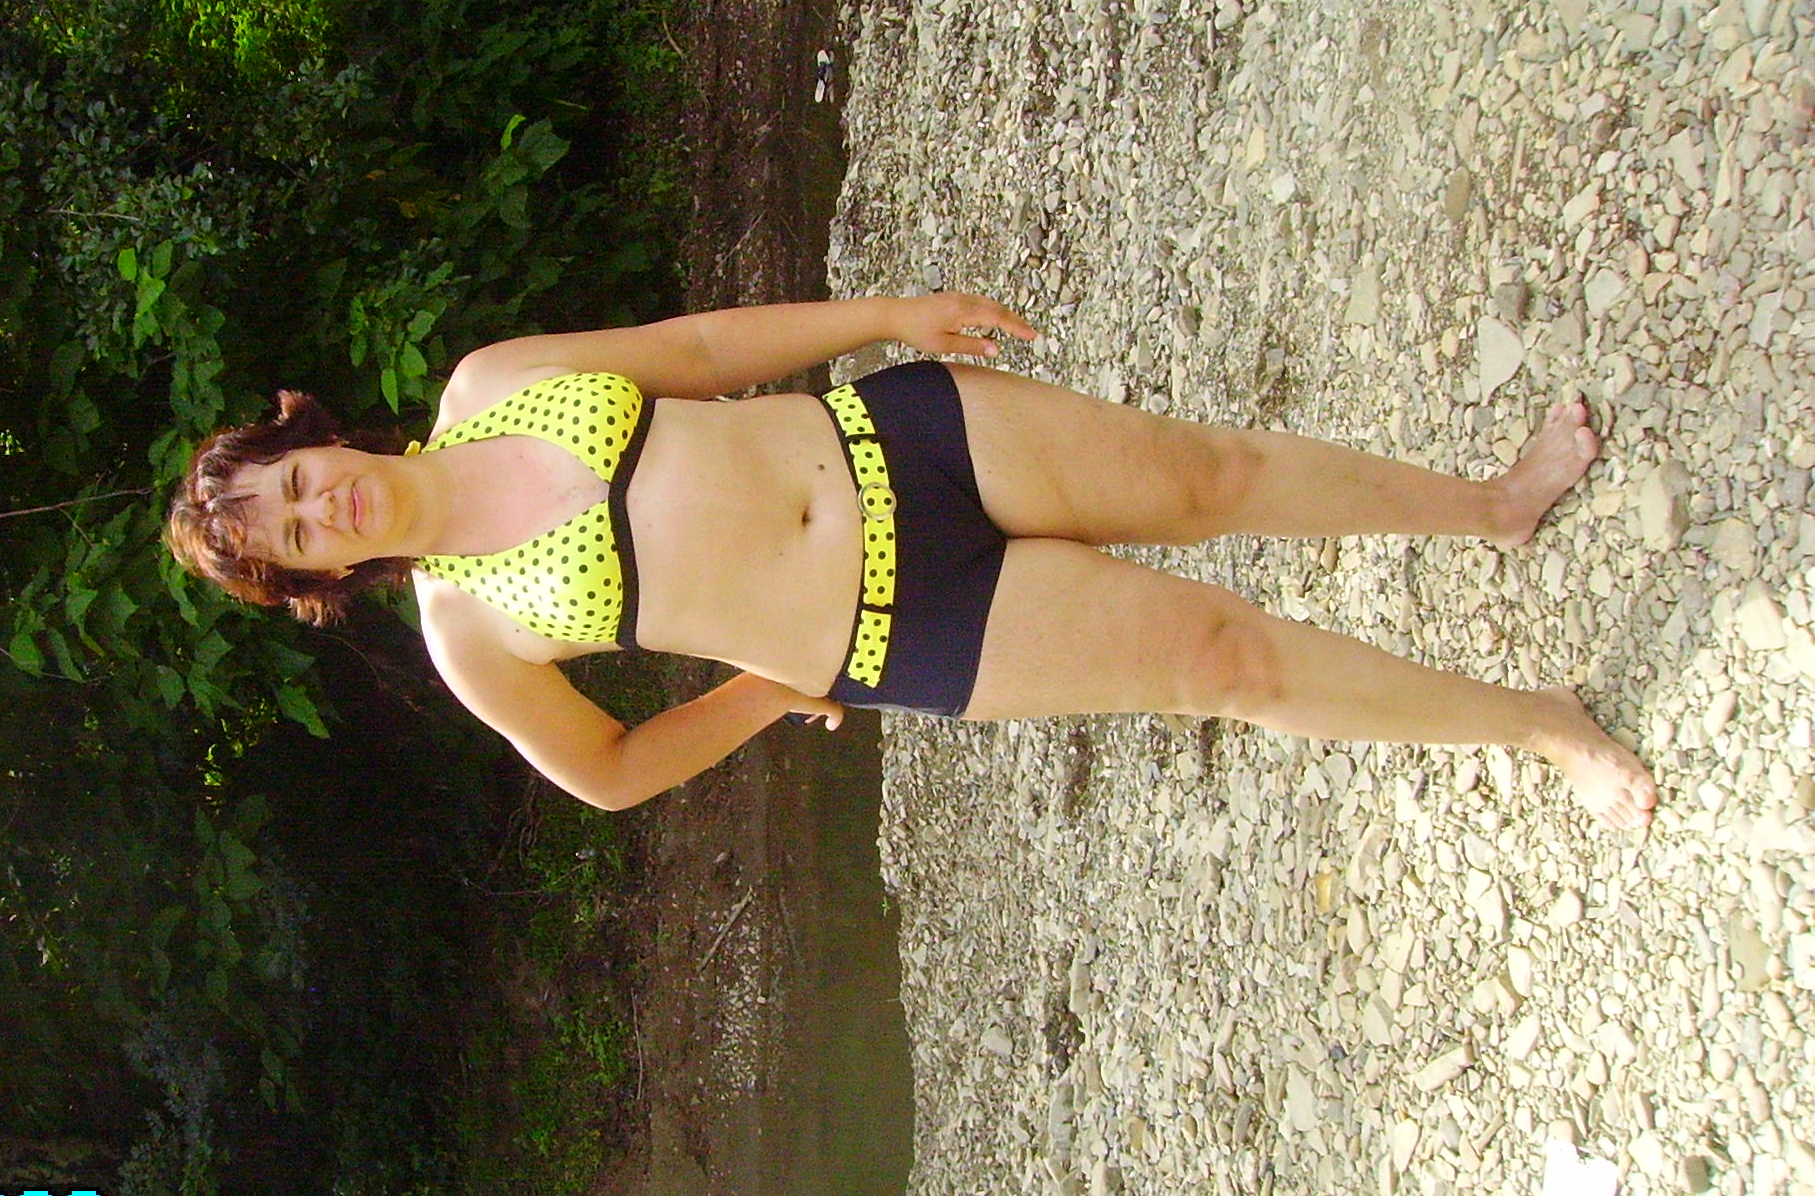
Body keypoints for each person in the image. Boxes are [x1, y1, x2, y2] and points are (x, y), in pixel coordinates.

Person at [165, 293, 1657, 829]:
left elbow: (697, 349)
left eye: (293, 482)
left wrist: (887, 316)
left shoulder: (491, 383)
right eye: (293, 537)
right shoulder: (468, 634)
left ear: (311, 438)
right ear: (316, 583)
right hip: (901, 624)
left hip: (905, 442)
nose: (320, 509)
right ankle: (1537, 723)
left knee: (1209, 477)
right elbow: (609, 772)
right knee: (1225, 661)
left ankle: (1490, 505)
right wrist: (765, 693)